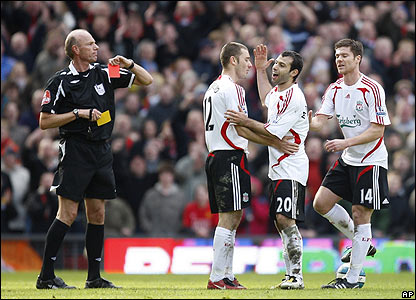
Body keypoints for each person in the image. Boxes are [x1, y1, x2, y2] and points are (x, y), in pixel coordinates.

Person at [36, 28, 153, 289]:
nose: (96, 47)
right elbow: (45, 121)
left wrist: (129, 64)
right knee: (67, 213)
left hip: (101, 150)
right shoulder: (60, 81)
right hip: (76, 149)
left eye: (95, 43)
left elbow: (147, 81)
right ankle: (45, 276)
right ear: (75, 49)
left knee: (98, 213)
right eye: (90, 44)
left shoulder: (104, 72)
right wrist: (77, 113)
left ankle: (94, 278)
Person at [308, 38, 390, 289]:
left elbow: (378, 131)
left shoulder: (372, 88)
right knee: (320, 203)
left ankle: (352, 279)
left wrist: (345, 143)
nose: (339, 60)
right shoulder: (334, 89)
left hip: (371, 160)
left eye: (344, 55)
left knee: (359, 213)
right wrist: (307, 121)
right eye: (336, 56)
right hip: (349, 159)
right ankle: (361, 241)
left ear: (358, 59)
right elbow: (320, 121)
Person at [225, 44, 308, 289]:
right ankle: (291, 275)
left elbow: (272, 130)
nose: (276, 67)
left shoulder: (295, 97)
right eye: (276, 63)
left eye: (282, 65)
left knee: (285, 219)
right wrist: (260, 70)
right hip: (278, 167)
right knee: (281, 221)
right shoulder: (279, 94)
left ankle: (296, 276)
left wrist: (244, 120)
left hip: (291, 166)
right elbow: (266, 100)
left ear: (294, 73)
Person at [203, 42, 252, 290]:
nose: (249, 64)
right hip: (229, 155)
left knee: (233, 215)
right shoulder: (233, 89)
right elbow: (241, 126)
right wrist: (274, 139)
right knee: (230, 216)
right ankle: (217, 277)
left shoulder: (213, 87)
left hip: (217, 154)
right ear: (233, 60)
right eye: (246, 59)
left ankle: (227, 275)